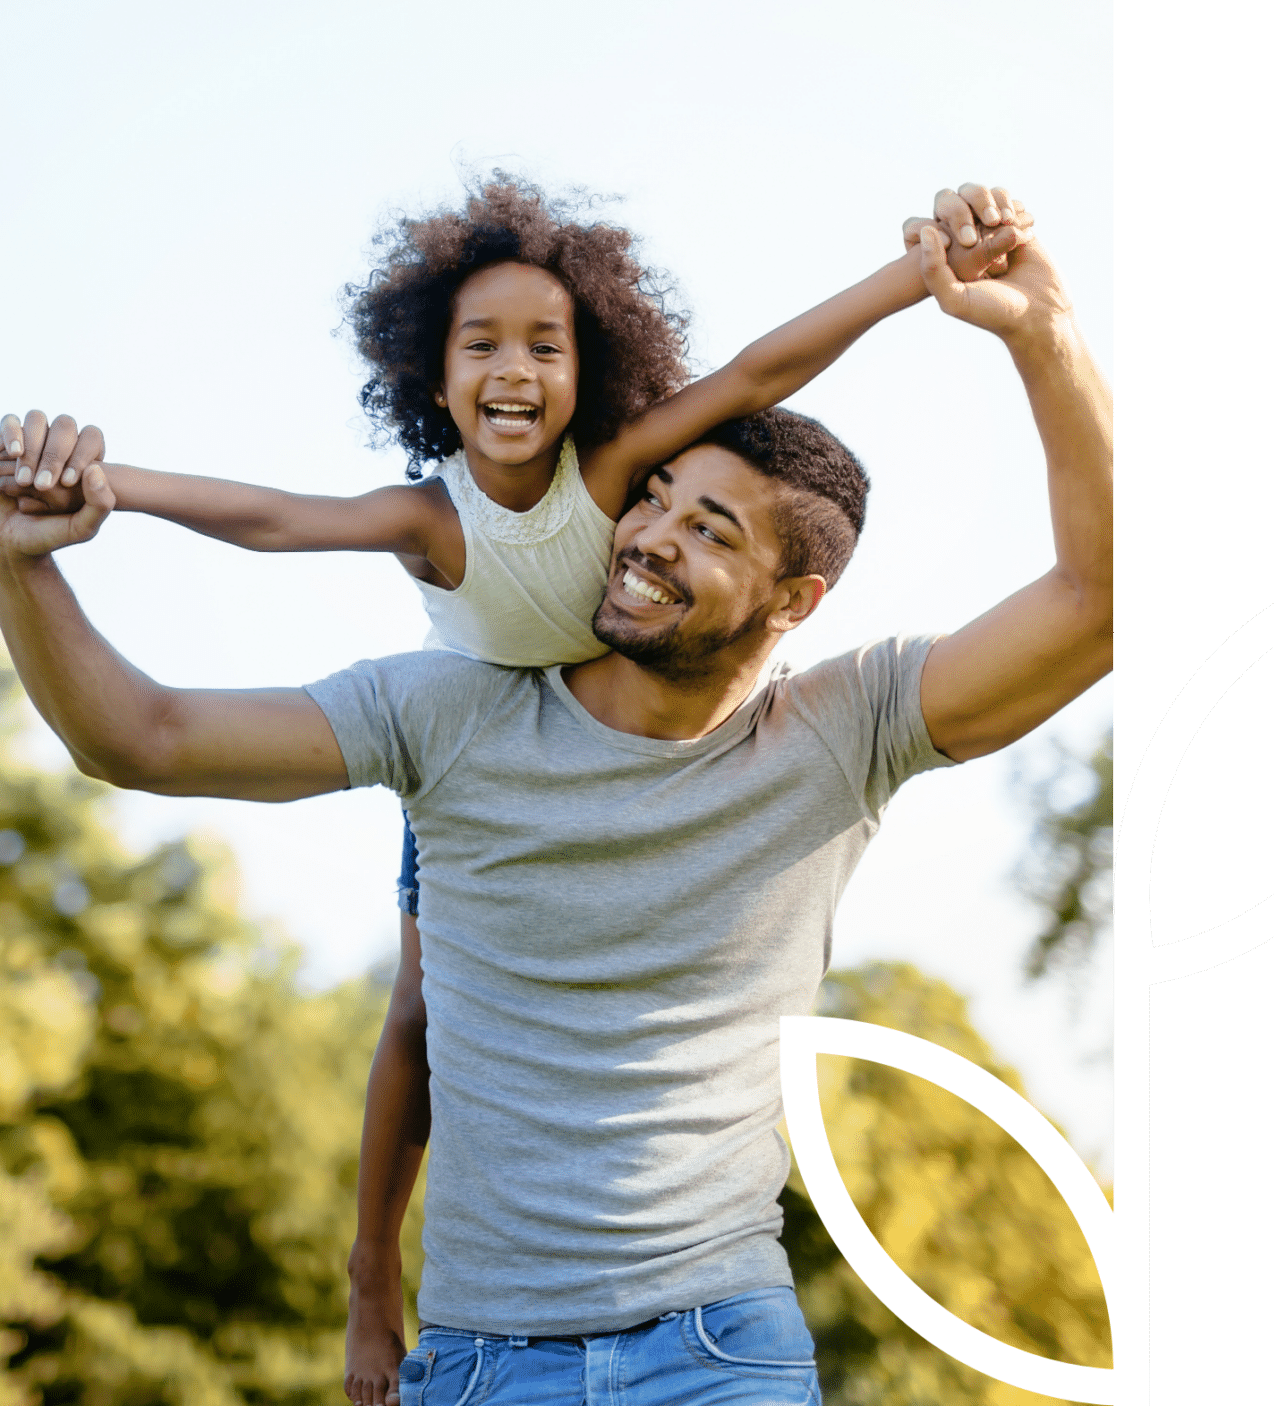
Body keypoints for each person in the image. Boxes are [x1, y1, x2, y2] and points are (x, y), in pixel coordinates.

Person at [0, 193, 1112, 1406]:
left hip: (718, 1351)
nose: (645, 533)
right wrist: (22, 559)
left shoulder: (849, 728)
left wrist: (1041, 329)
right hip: (483, 1361)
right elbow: (139, 737)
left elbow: (1100, 600)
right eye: (656, 496)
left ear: (794, 601)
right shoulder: (450, 713)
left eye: (707, 526)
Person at [0, 173, 1029, 672]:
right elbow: (273, 516)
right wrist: (106, 485)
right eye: (480, 345)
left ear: (590, 372)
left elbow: (761, 368)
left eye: (546, 347)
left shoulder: (618, 468)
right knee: (413, 1008)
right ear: (435, 381)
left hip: (603, 732)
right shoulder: (431, 520)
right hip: (473, 732)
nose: (513, 370)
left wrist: (920, 274)